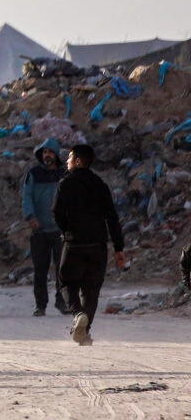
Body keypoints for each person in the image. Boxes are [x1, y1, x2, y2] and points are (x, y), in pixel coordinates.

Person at [53, 143, 126, 346]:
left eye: (69, 158)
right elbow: (112, 217)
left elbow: (57, 211)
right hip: (98, 245)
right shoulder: (100, 184)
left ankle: (77, 315)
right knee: (91, 290)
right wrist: (118, 247)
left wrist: (66, 229)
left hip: (74, 242)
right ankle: (85, 332)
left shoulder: (66, 183)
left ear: (77, 161)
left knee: (66, 282)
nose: (67, 162)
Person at [22, 139, 68, 316]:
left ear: (56, 154)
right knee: (40, 269)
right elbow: (26, 196)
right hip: (39, 229)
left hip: (60, 229)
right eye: (44, 152)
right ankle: (40, 305)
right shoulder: (33, 174)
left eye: (50, 152)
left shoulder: (64, 174)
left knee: (62, 269)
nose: (46, 155)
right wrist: (30, 216)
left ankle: (62, 302)